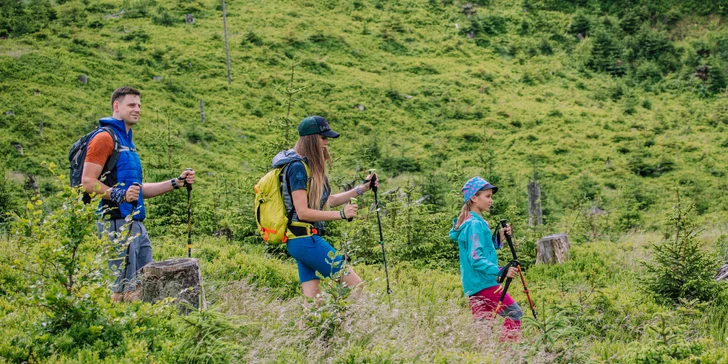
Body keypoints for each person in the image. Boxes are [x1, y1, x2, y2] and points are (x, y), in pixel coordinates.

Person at [81, 86, 195, 301]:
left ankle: (138, 328)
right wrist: (119, 195)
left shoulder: (127, 142)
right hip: (116, 221)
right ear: (117, 106)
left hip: (135, 222)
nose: (138, 109)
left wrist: (176, 183)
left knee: (143, 283)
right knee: (122, 288)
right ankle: (117, 328)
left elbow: (138, 190)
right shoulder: (105, 138)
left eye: (139, 105)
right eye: (132, 105)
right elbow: (87, 182)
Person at [271, 115, 376, 299]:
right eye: (323, 138)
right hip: (306, 239)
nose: (327, 143)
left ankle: (313, 328)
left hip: (300, 240)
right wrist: (341, 215)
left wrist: (362, 189)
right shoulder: (297, 168)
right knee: (355, 286)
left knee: (313, 303)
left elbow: (329, 200)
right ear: (311, 139)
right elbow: (302, 212)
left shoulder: (309, 168)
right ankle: (348, 325)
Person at [449, 176, 523, 342]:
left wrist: (498, 239)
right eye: (487, 196)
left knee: (482, 328)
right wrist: (501, 270)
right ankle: (508, 354)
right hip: (484, 283)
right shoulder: (474, 224)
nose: (491, 200)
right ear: (474, 198)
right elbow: (475, 258)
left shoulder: (472, 221)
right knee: (515, 313)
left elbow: (481, 249)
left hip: (474, 284)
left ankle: (486, 356)